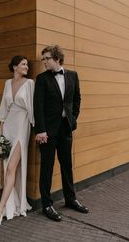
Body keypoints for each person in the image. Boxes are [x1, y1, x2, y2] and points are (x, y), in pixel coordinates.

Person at [34, 45, 89, 222]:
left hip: (65, 129)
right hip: (47, 132)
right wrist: (40, 130)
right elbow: (38, 106)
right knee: (47, 168)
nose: (44, 62)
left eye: (46, 58)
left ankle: (71, 199)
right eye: (43, 59)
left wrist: (72, 119)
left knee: (67, 166)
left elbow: (77, 99)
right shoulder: (42, 79)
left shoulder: (73, 76)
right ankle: (47, 205)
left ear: (57, 59)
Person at [0, 55, 34, 229]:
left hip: (22, 126)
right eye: (23, 64)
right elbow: (4, 107)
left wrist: (38, 128)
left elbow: (33, 108)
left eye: (27, 65)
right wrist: (0, 130)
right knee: (8, 168)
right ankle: (12, 202)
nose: (26, 67)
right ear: (15, 66)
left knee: (10, 168)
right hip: (8, 126)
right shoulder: (7, 84)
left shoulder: (30, 83)